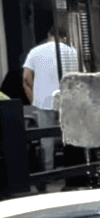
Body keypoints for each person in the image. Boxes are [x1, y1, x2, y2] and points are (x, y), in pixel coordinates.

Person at [23, 24, 79, 169]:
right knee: (68, 135)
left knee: (46, 140)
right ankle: (71, 169)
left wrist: (35, 97)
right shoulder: (71, 52)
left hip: (43, 100)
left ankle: (48, 172)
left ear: (49, 35)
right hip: (66, 99)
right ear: (65, 38)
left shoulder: (35, 51)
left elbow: (26, 77)